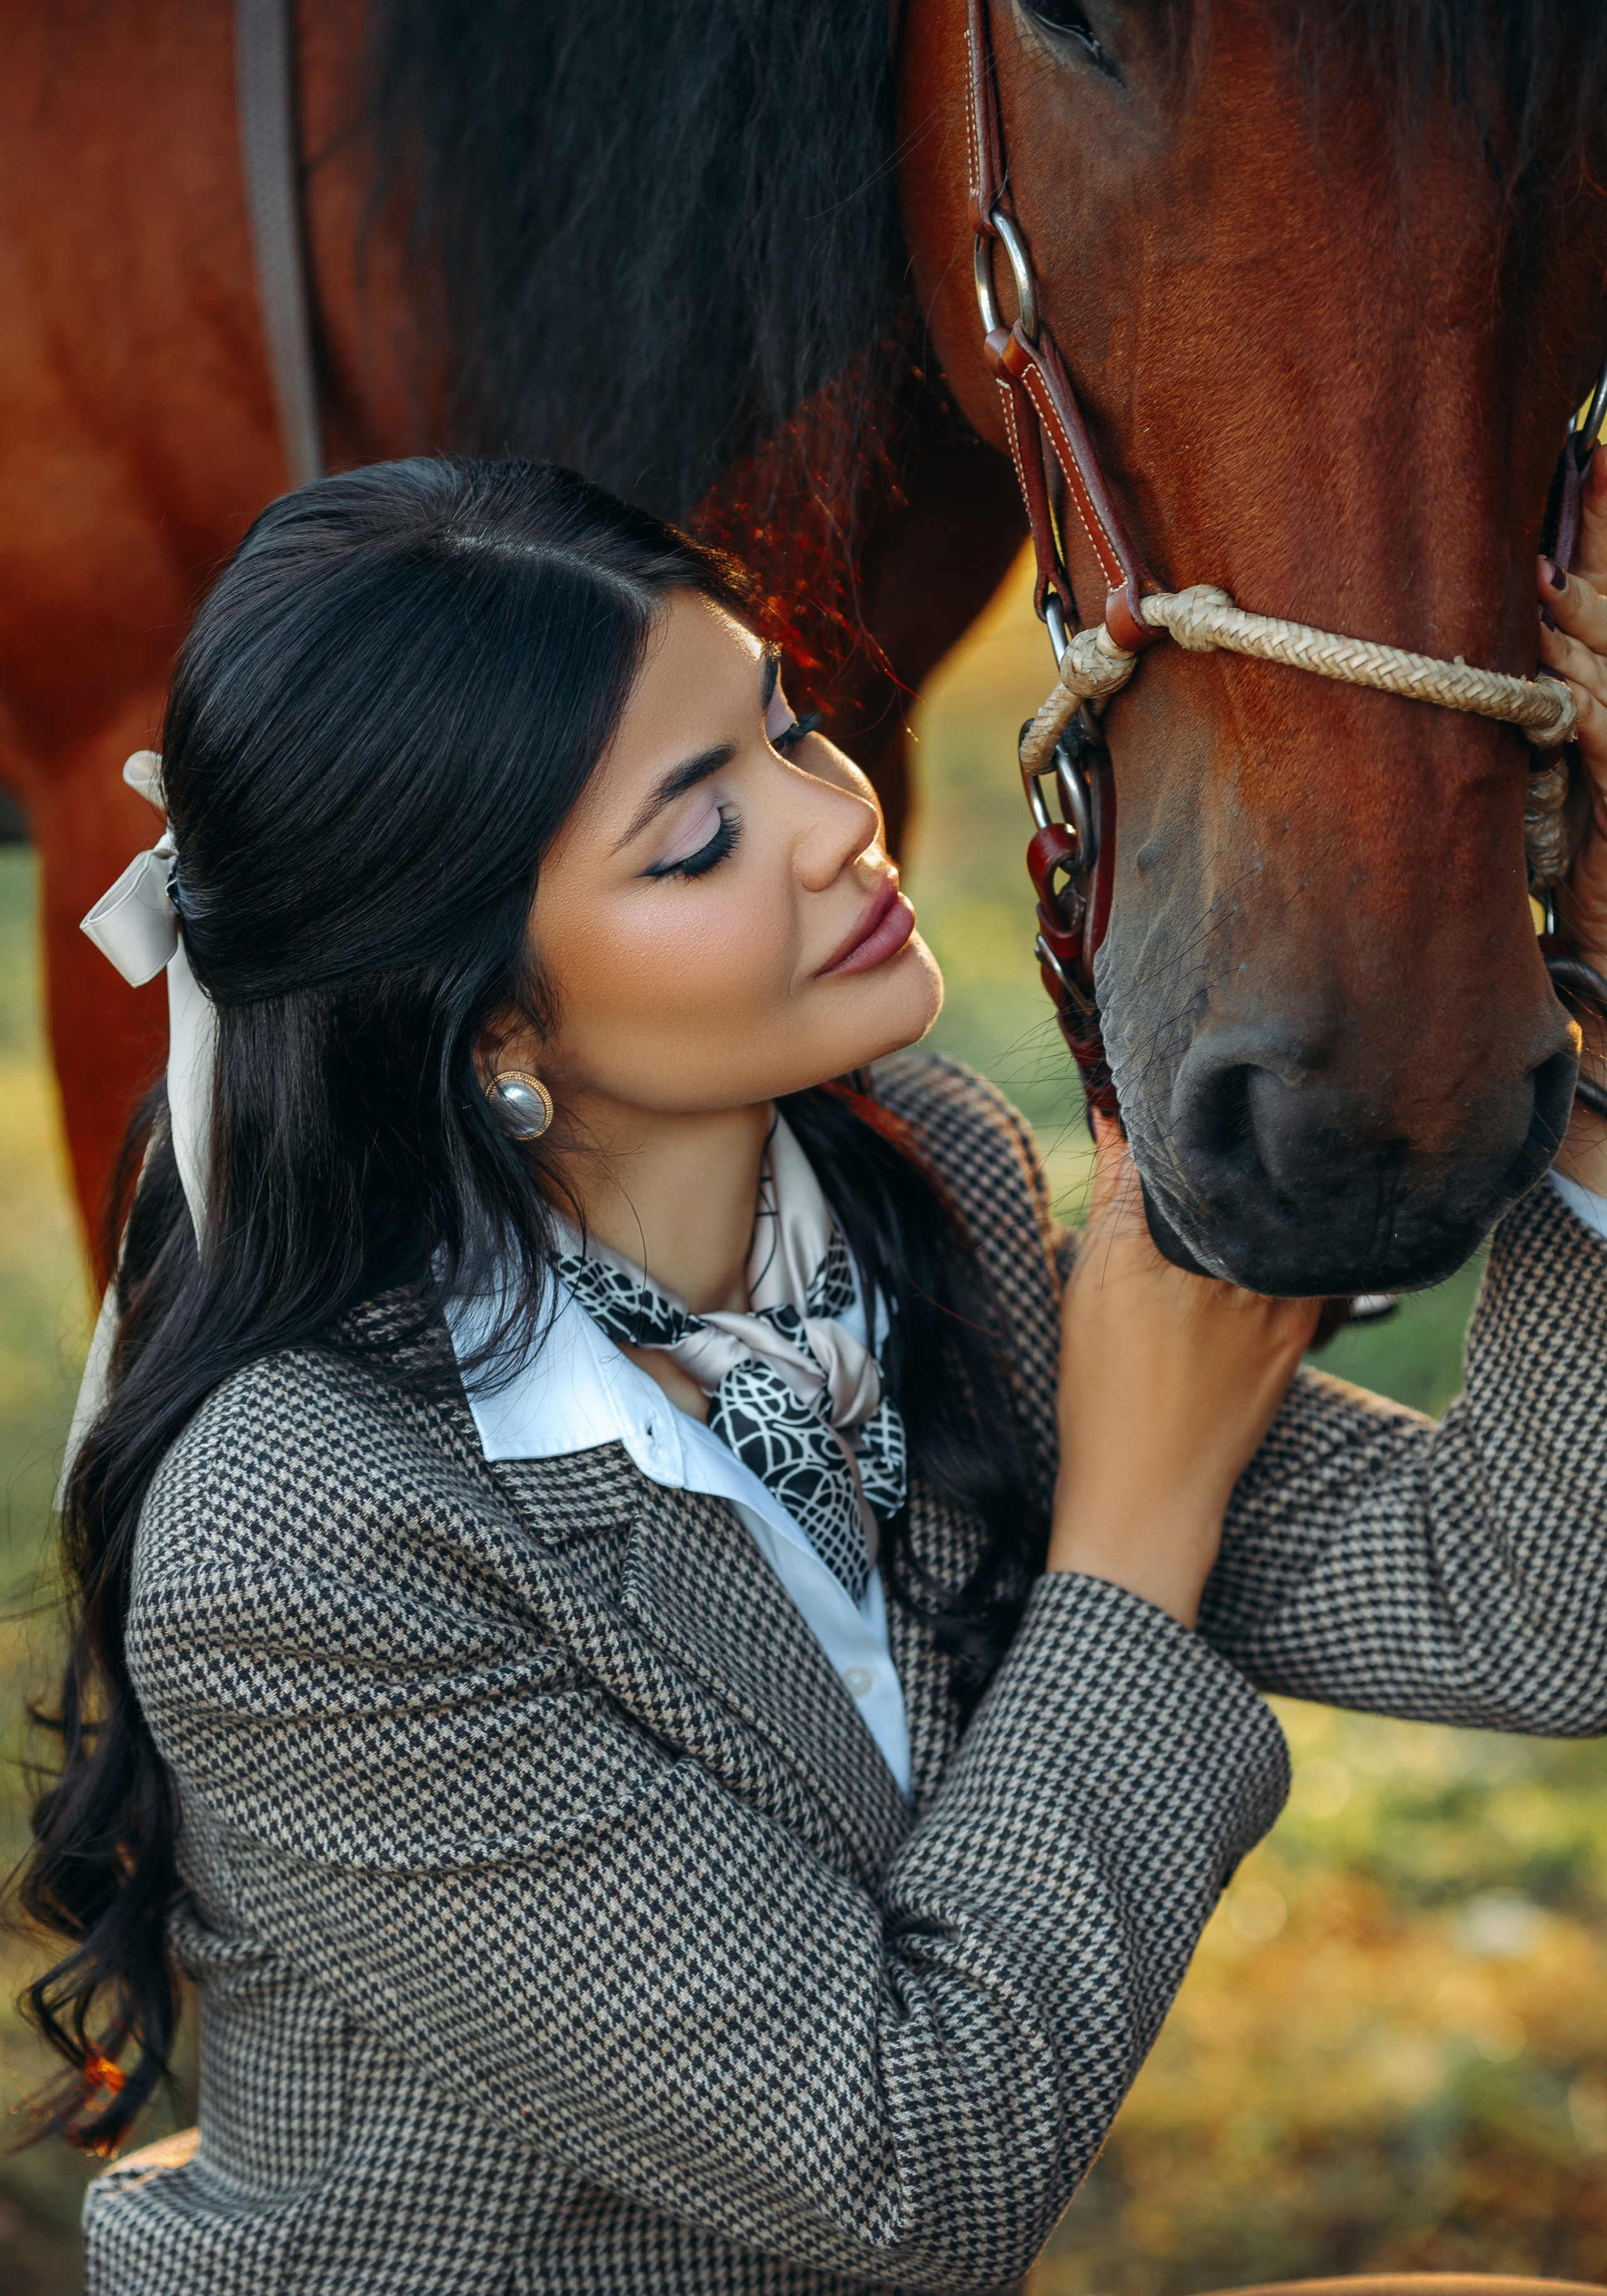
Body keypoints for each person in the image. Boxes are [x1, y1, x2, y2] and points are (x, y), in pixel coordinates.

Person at [13, 453, 1607, 2296]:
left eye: (784, 724)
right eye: (695, 835)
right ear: (489, 1016)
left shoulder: (905, 1187)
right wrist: (1139, 1518)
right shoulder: (309, 1537)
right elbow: (914, 2165)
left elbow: (1537, 1597)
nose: (835, 821)